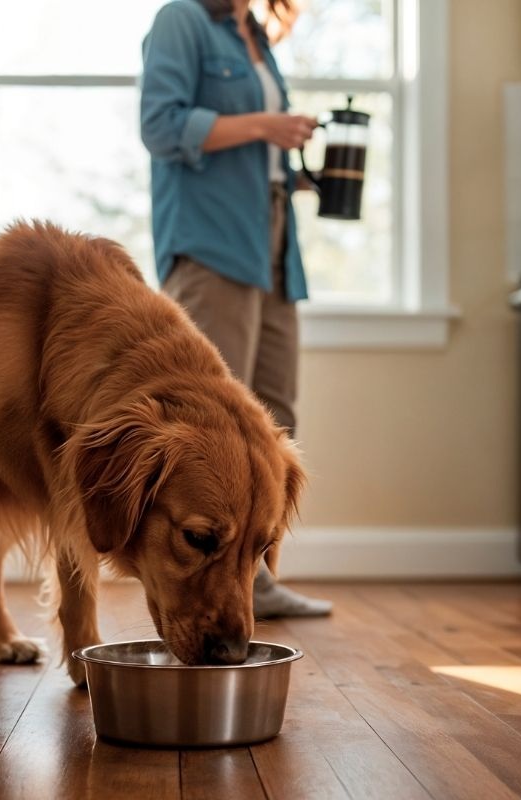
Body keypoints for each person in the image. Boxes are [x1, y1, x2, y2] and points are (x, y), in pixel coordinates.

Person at [140, 0, 331, 617]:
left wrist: (286, 168)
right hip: (213, 240)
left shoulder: (255, 35)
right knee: (212, 420)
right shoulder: (184, 19)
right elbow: (161, 127)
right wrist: (262, 127)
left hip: (273, 237)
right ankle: (197, 589)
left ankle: (256, 584)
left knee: (276, 412)